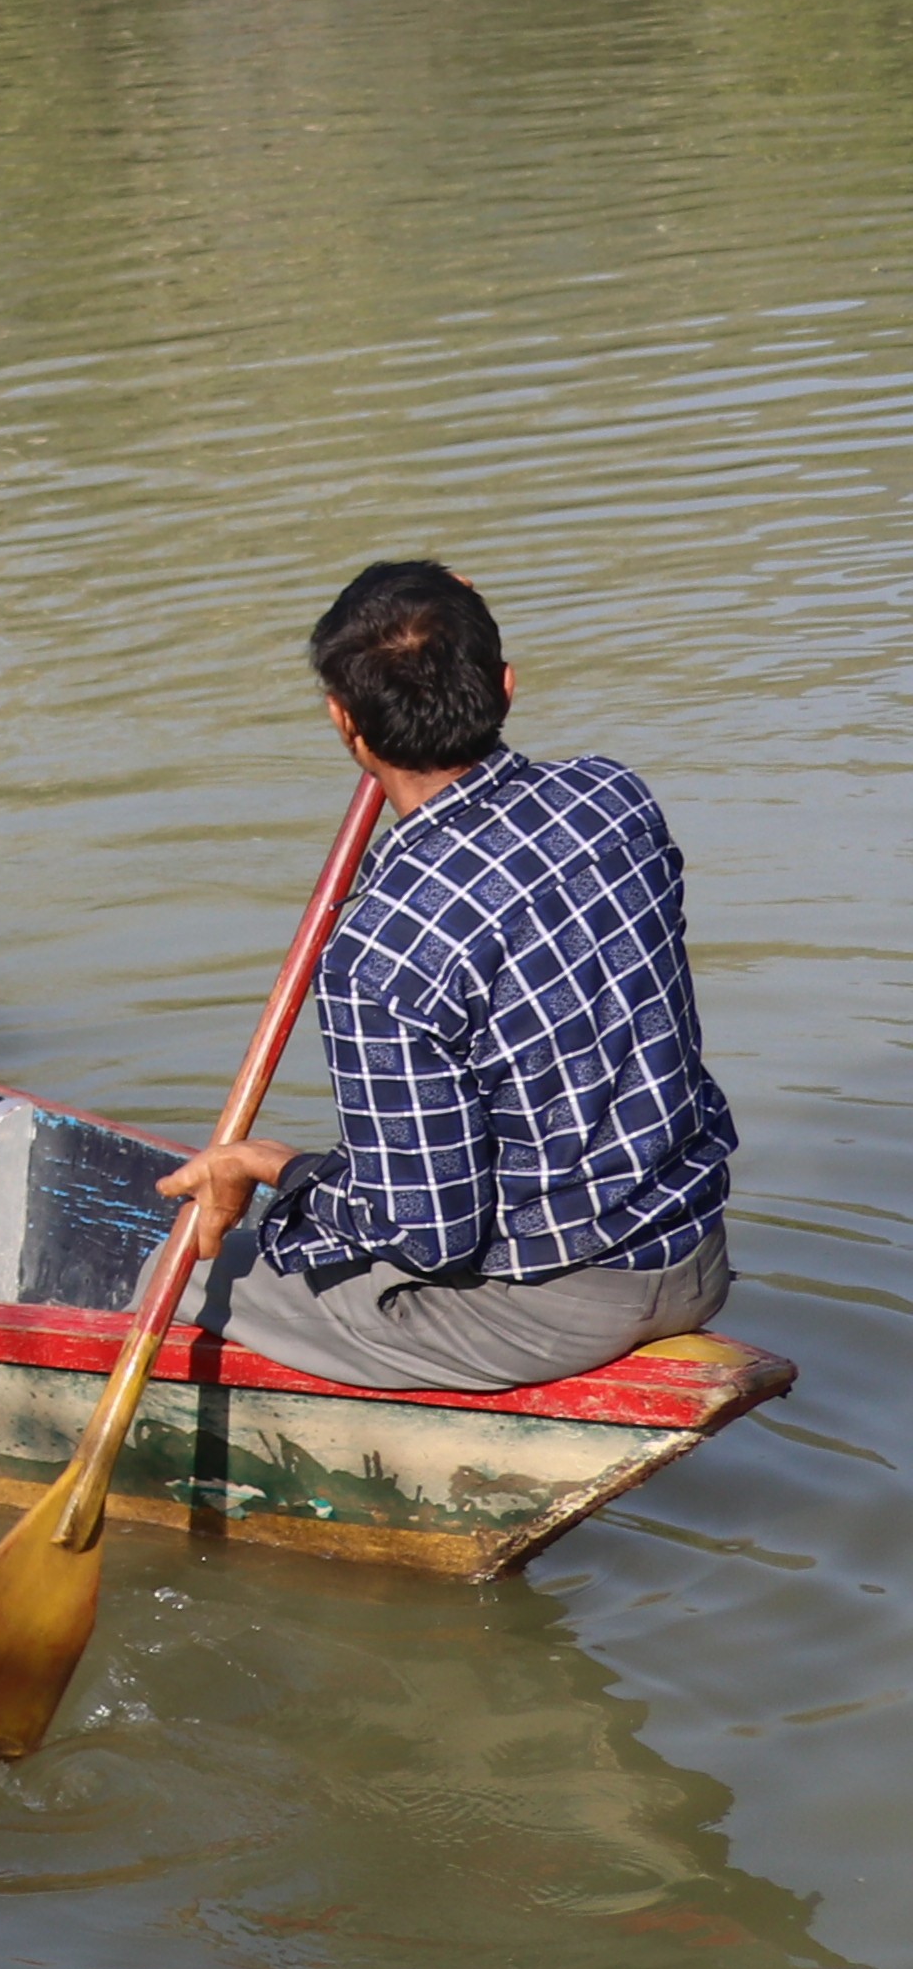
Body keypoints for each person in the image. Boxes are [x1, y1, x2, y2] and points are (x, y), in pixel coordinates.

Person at [161, 560, 738, 1392]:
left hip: (551, 1308)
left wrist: (273, 1170)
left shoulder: (377, 952)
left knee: (173, 1276)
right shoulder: (615, 802)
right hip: (696, 1251)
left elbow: (429, 1234)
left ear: (343, 723)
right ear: (504, 687)